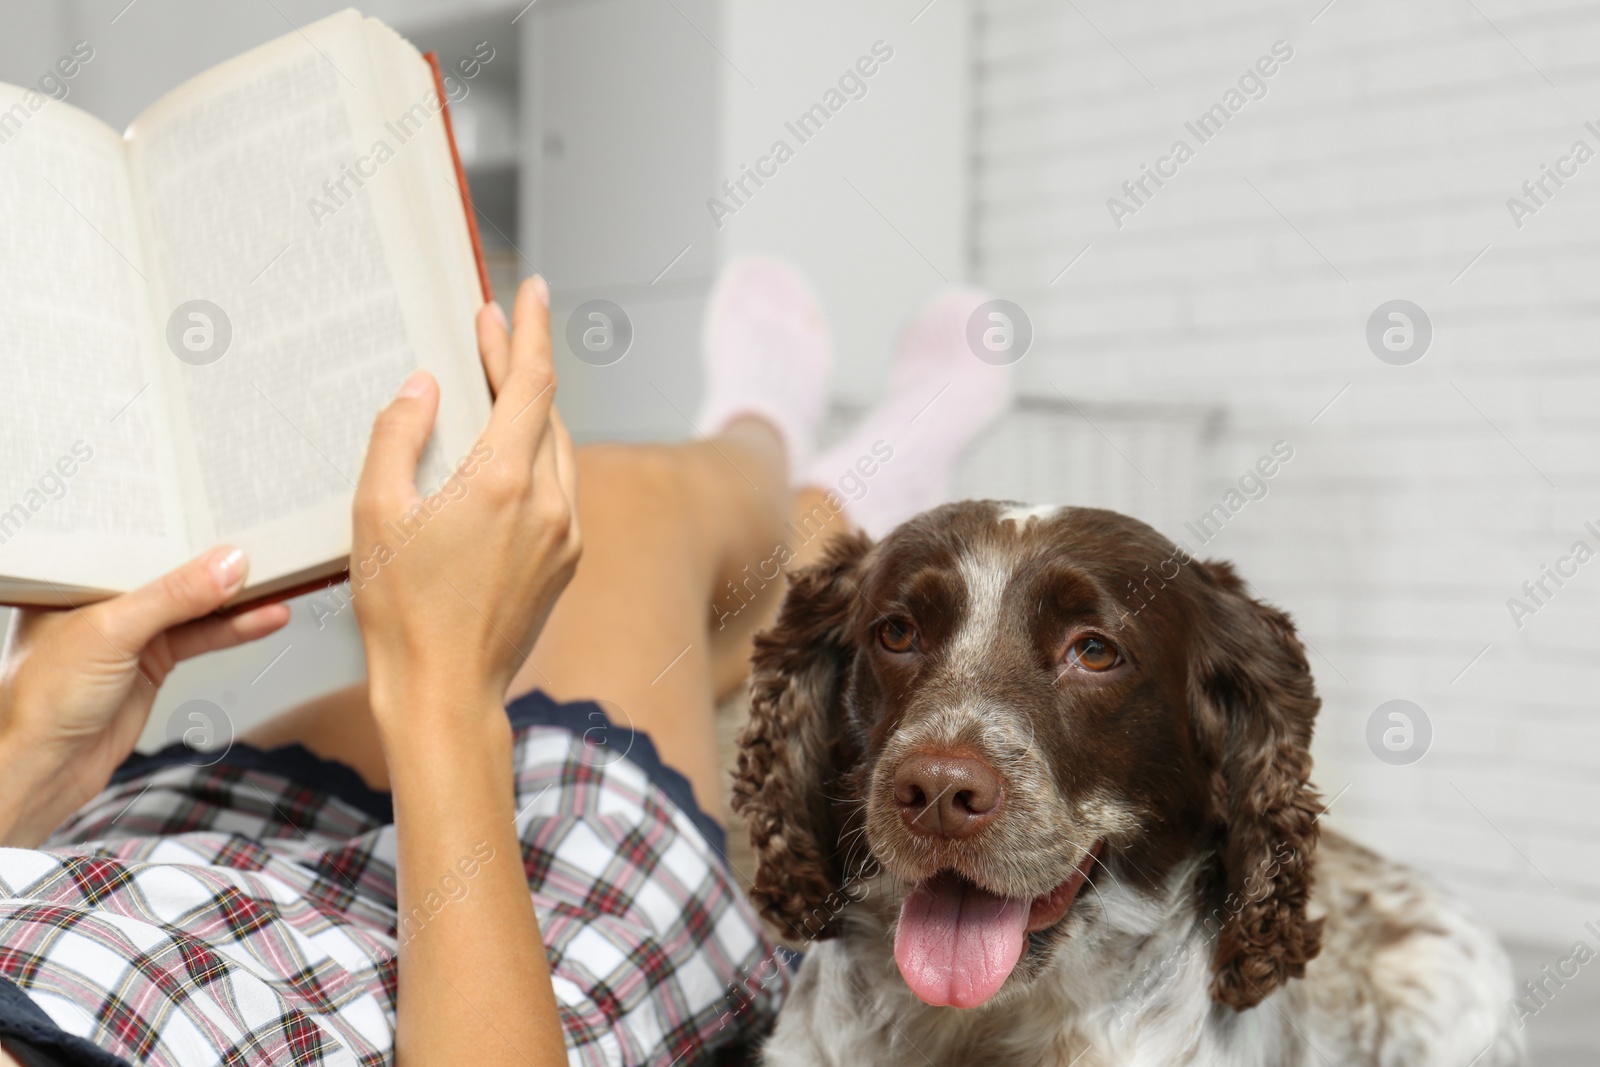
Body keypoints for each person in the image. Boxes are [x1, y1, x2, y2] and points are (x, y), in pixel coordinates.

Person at [0, 260, 1011, 1066]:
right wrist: (441, 689)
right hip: (451, 988)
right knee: (620, 506)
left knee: (640, 612)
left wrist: (26, 763)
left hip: (126, 872)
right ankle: (795, 467)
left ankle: (805, 493)